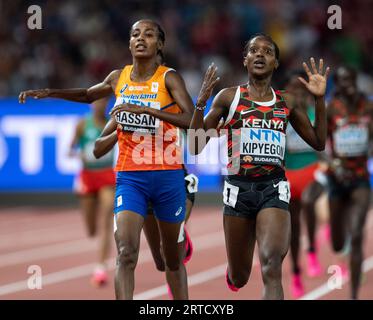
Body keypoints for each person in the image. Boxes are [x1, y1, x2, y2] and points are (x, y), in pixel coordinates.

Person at [19, 19, 195, 300]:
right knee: (126, 253)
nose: (140, 39)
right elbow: (89, 95)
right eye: (135, 34)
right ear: (128, 43)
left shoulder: (169, 78)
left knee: (169, 261)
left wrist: (148, 112)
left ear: (160, 44)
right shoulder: (118, 78)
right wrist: (51, 92)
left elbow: (191, 121)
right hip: (130, 177)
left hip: (167, 174)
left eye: (149, 35)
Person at [189, 34, 329, 299]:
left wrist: (319, 100)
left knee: (271, 265)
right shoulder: (227, 98)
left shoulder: (287, 101)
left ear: (276, 62)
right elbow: (196, 146)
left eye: (267, 51)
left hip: (273, 189)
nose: (260, 55)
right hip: (237, 191)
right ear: (245, 60)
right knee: (240, 276)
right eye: (254, 50)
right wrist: (200, 103)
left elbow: (319, 142)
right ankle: (233, 274)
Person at [326, 66, 373, 299]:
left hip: (360, 179)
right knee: (337, 243)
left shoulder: (368, 107)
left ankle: (353, 294)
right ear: (337, 84)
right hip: (337, 179)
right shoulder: (330, 108)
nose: (349, 84)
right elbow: (316, 144)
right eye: (343, 81)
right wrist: (334, 165)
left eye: (351, 79)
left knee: (356, 235)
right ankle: (338, 244)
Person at [284, 70, 324, 298]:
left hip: (311, 171)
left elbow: (322, 144)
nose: (298, 94)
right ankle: (296, 272)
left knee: (309, 203)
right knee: (293, 227)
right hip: (289, 174)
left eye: (301, 90)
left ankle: (312, 249)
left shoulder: (312, 112)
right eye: (293, 90)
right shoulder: (282, 114)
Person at [68, 97, 115, 287]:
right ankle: (93, 227)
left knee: (106, 220)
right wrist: (80, 153)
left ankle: (101, 268)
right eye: (96, 102)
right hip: (88, 176)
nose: (100, 105)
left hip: (106, 176)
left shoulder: (111, 124)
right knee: (91, 229)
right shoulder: (82, 125)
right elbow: (69, 149)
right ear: (91, 104)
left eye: (103, 102)